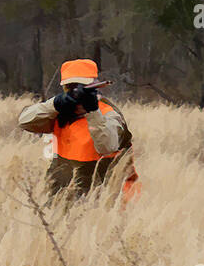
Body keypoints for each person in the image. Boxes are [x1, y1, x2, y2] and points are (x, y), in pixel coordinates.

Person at [18, 59, 138, 202]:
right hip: (60, 195)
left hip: (101, 197)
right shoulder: (59, 111)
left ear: (95, 87)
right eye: (71, 88)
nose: (78, 94)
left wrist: (93, 112)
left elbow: (107, 146)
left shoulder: (109, 113)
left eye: (84, 87)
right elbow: (25, 121)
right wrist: (55, 103)